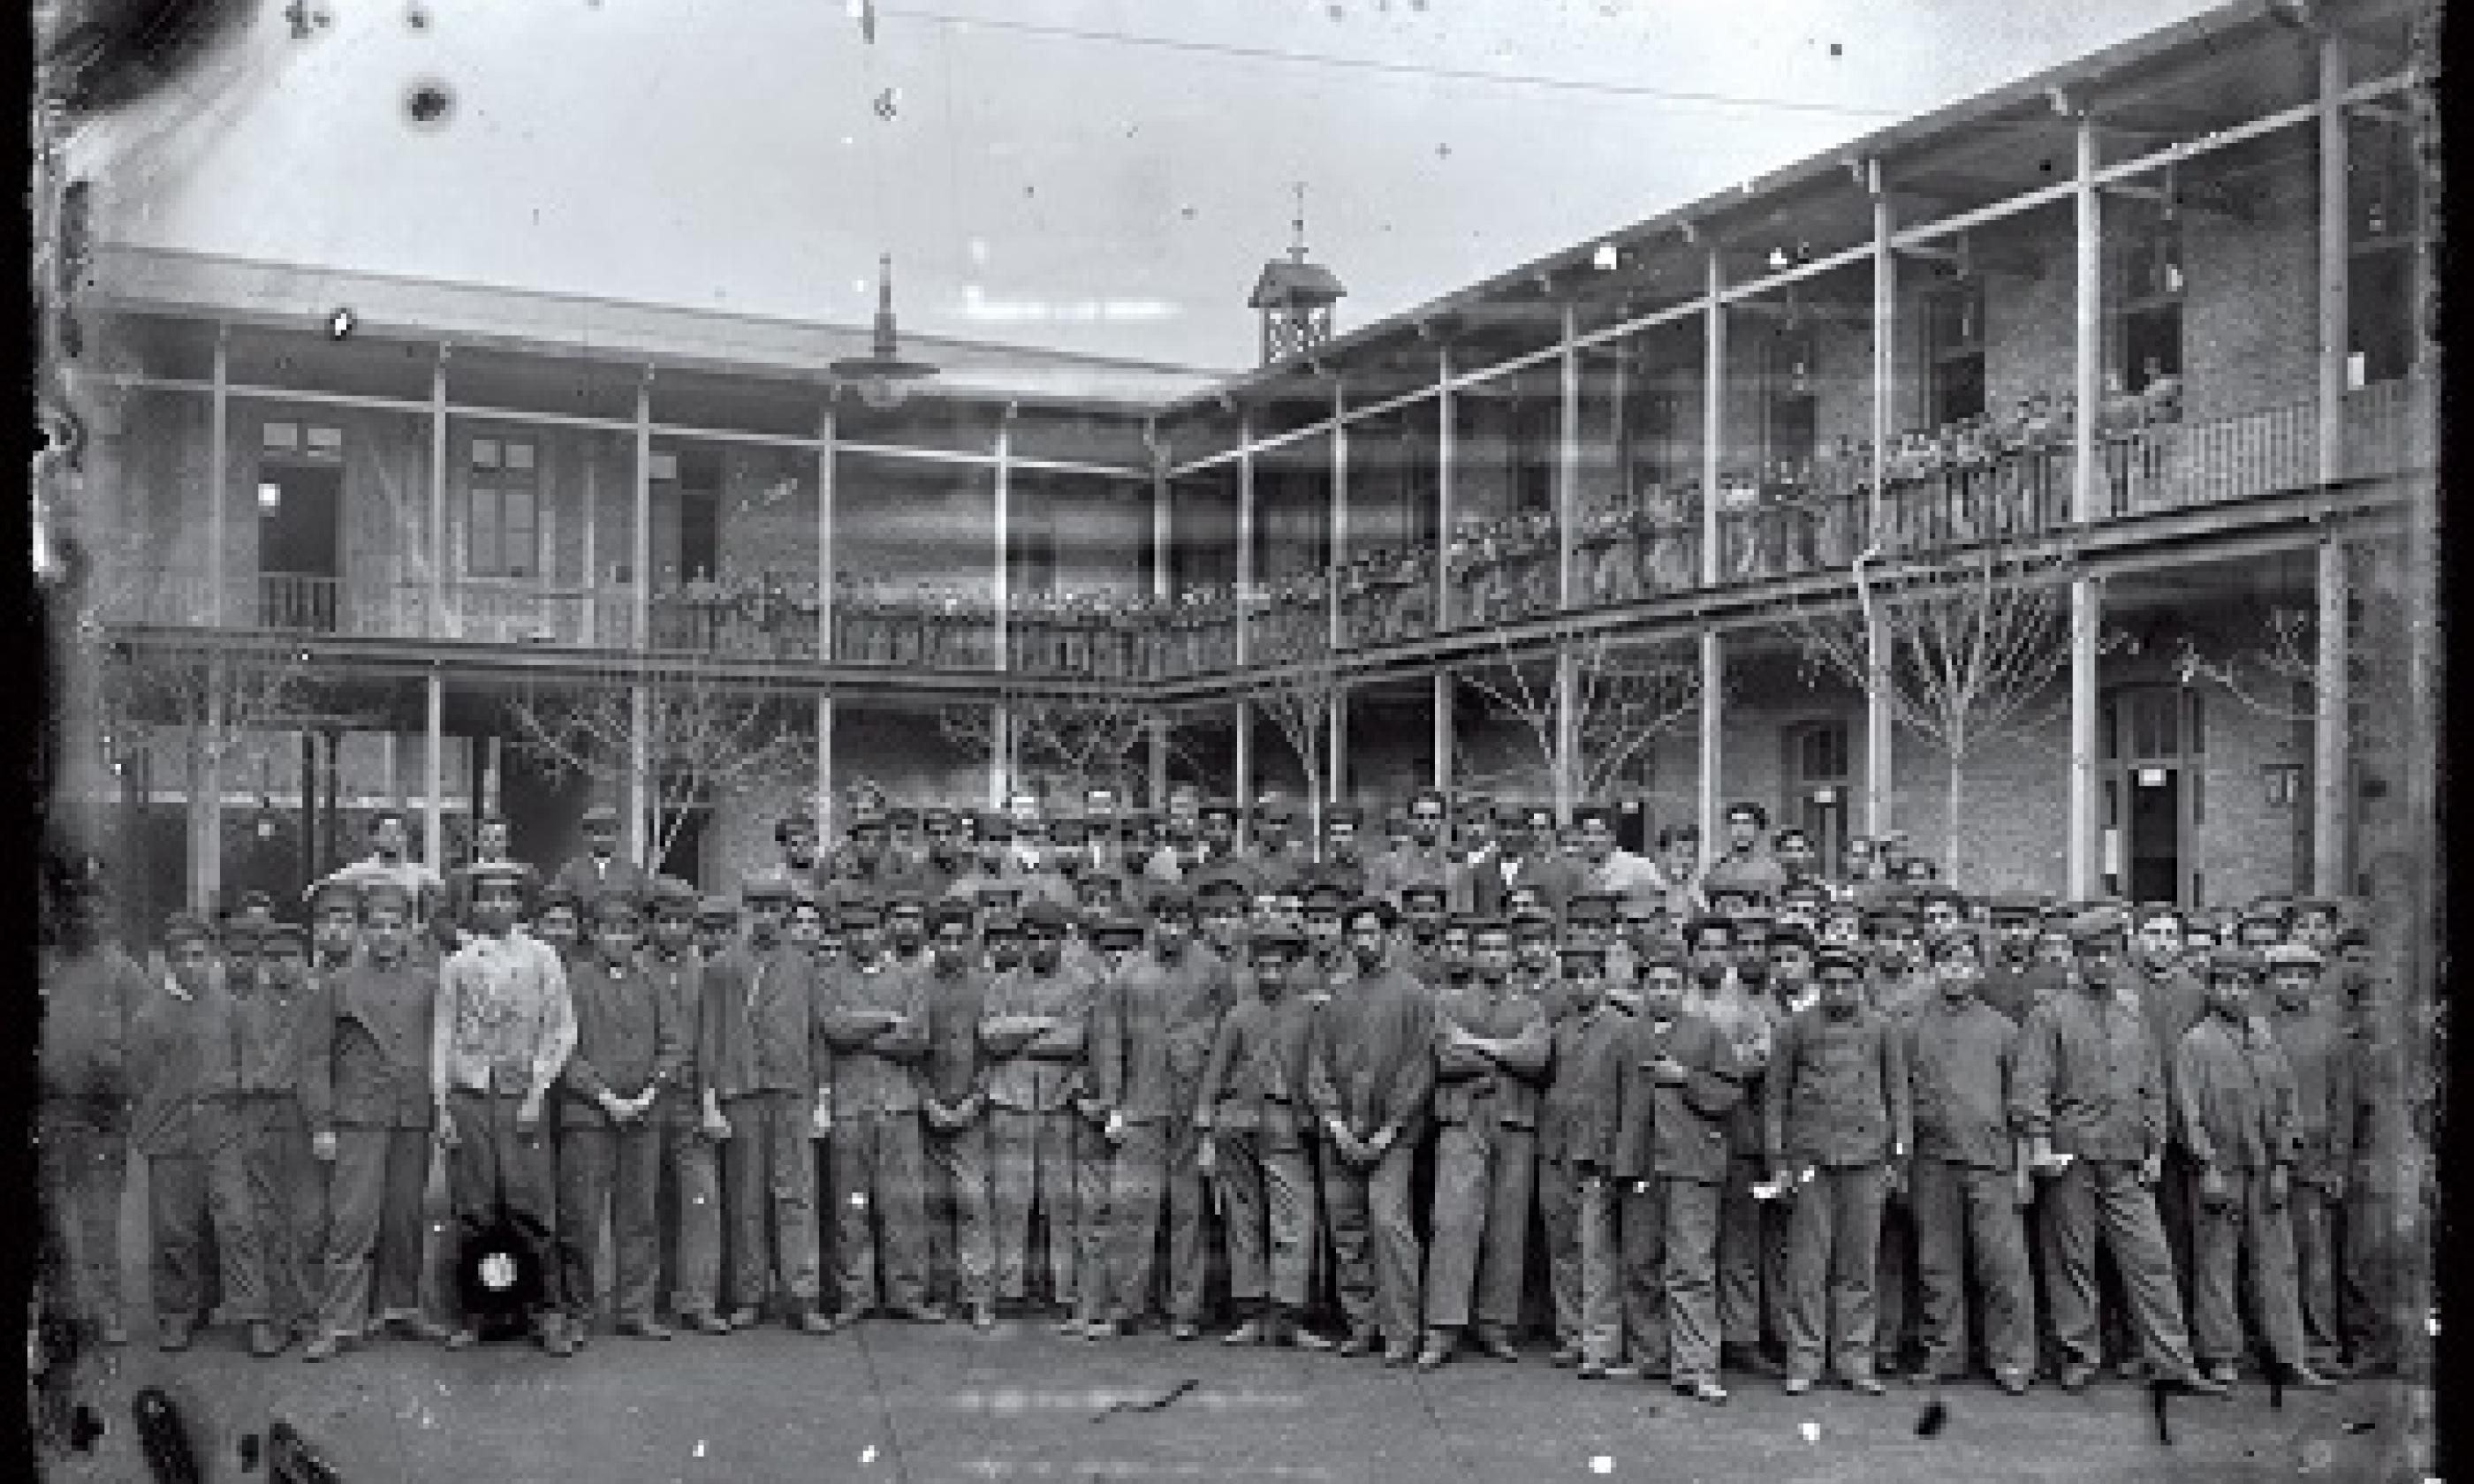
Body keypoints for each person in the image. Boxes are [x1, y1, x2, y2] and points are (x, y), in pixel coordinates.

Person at [2011, 909, 2223, 1395]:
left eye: (2109, 953)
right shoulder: (2051, 1015)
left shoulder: (2133, 1015)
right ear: (2076, 958)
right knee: (2072, 1260)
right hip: (2072, 1158)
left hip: (2128, 1159)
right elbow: (2030, 1088)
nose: (2101, 963)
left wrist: (2154, 1149)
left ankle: (2174, 1362)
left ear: (2121, 956)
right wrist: (2040, 1147)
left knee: (2152, 1262)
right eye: (2091, 954)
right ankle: (2078, 1358)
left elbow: (2152, 1086)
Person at [300, 884, 452, 1360]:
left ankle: (400, 1308)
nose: (386, 935)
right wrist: (322, 1124)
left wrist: (442, 1111)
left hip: (411, 1117)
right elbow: (314, 1057)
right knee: (352, 1220)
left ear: (410, 931)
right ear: (364, 931)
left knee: (406, 1218)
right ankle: (339, 1321)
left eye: (396, 926)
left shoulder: (430, 984)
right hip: (358, 1117)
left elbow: (442, 1053)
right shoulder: (337, 985)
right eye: (377, 926)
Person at [433, 861, 578, 1355]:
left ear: (520, 904)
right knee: (475, 1209)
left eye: (505, 897)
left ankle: (546, 1312)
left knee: (529, 1207)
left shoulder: (542, 958)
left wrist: (538, 1090)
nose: (496, 905)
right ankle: (482, 1311)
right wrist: (443, 1105)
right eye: (486, 897)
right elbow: (443, 1035)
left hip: (521, 1097)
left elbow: (559, 1028)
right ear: (472, 904)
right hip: (470, 1095)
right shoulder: (458, 962)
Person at [2174, 950, 2329, 1389]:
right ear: (2211, 989)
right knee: (2216, 1265)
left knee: (2278, 1265)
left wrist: (2282, 1164)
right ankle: (2221, 1357)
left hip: (2264, 1170)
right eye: (2224, 984)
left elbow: (2287, 1105)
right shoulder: (2196, 1043)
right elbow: (2187, 1113)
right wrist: (2206, 1166)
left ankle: (2288, 1356)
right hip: (2219, 1170)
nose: (2233, 993)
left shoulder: (2264, 1041)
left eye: (2241, 985)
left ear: (2253, 989)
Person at [1592, 943, 1742, 1400]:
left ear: (1685, 989)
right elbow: (1607, 1104)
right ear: (1642, 990)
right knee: (1641, 1265)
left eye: (1671, 985)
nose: (1662, 993)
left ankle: (1696, 1367)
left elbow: (1729, 1094)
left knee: (1691, 1267)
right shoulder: (1624, 1038)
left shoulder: (1707, 1034)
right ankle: (1652, 1357)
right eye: (1653, 985)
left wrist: (1686, 1079)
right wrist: (1610, 1160)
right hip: (1638, 1165)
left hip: (1691, 1166)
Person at [1089, 886, 1233, 1341]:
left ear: (1193, 923)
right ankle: (1124, 1307)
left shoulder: (1215, 972)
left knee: (1188, 1212)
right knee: (1133, 1210)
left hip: (1193, 1109)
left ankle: (1184, 1310)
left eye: (1181, 920)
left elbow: (1229, 1045)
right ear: (1153, 922)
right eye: (1165, 920)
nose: (1173, 929)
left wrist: (1214, 1108)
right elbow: (1109, 1043)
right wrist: (1112, 1106)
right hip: (1140, 1106)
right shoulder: (1128, 975)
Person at [1766, 945, 1910, 1396]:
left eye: (1847, 983)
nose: (1838, 991)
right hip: (1810, 1161)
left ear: (1860, 983)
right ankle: (1805, 1360)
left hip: (1867, 1160)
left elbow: (1898, 1096)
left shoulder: (1882, 1029)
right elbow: (1776, 1098)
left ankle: (1854, 1360)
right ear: (1818, 983)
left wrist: (1899, 1158)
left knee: (1858, 1265)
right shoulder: (1795, 1029)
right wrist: (1779, 1161)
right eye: (1829, 983)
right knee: (1808, 1266)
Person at [1898, 929, 2037, 1394]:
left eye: (1964, 964)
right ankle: (1944, 1354)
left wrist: (2022, 1169)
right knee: (1938, 1265)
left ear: (1979, 971)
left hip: (1991, 1163)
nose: (1955, 972)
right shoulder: (1912, 1027)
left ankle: (2012, 1360)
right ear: (1933, 969)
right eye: (1946, 963)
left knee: (2003, 1267)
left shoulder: (2004, 1030)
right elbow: (1901, 1098)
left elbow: (2022, 1105)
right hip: (1933, 1163)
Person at [1303, 897, 1437, 1363]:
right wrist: (1336, 1124)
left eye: (1371, 933)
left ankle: (1401, 1333)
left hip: (1392, 1138)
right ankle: (1362, 1324)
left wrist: (1390, 1130)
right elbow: (1317, 1064)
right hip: (1340, 1133)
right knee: (1348, 1231)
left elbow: (1419, 1067)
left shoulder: (1414, 995)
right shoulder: (1337, 995)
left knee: (1389, 1225)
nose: (1363, 942)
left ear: (1391, 936)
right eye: (1355, 934)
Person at [1416, 919, 1550, 1369]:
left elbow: (1535, 1059)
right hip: (1462, 1120)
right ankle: (1443, 1327)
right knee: (1453, 1221)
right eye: (1485, 948)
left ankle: (1495, 1324)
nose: (1493, 956)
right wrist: (1503, 1054)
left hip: (1515, 1121)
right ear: (1471, 955)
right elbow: (1445, 1057)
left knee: (1507, 1226)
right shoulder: (1447, 1002)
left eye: (1501, 948)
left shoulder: (1531, 1007)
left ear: (1513, 956)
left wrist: (1477, 1045)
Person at [556, 889, 687, 1343]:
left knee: (639, 1216)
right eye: (609, 930)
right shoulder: (574, 981)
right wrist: (604, 1097)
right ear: (593, 934)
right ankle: (577, 1313)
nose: (618, 939)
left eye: (628, 931)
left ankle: (635, 1309)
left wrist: (651, 1091)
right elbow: (564, 1051)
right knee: (581, 1217)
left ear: (638, 935)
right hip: (589, 1119)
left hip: (643, 1118)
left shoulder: (650, 982)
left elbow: (674, 1044)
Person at [701, 874, 831, 1334]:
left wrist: (822, 1099)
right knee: (746, 1198)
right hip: (741, 1093)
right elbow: (709, 1038)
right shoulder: (720, 967)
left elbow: (817, 1036)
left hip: (792, 1092)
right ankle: (749, 1295)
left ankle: (802, 1296)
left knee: (795, 1196)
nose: (767, 917)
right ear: (746, 911)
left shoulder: (805, 967)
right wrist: (711, 1099)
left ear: (788, 914)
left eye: (776, 908)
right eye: (758, 907)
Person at [132, 912, 266, 1354]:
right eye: (182, 958)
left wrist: (225, 1094)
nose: (192, 966)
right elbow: (140, 1078)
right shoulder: (149, 1014)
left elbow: (246, 1066)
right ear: (168, 962)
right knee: (175, 1231)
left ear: (212, 959)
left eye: (199, 957)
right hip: (171, 1137)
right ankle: (177, 1314)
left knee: (239, 1223)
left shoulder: (228, 1007)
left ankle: (252, 1315)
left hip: (222, 1132)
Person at [1195, 925, 1330, 1350]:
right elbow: (1213, 1076)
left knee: (1292, 1220)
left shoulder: (1309, 1013)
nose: (1270, 976)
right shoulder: (1238, 1016)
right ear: (1251, 969)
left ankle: (1288, 1317)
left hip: (1287, 1124)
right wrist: (1205, 1133)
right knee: (1243, 1219)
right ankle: (1251, 1314)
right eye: (1262, 968)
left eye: (1278, 967)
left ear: (1292, 969)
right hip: (1236, 1124)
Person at [814, 897, 937, 1328]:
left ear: (883, 930)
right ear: (844, 934)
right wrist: (886, 1020)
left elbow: (917, 1040)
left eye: (869, 928)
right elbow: (832, 1028)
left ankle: (908, 1295)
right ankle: (856, 1296)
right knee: (853, 1205)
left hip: (899, 1106)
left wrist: (861, 1034)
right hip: (851, 1109)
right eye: (853, 930)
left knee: (904, 1206)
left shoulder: (911, 978)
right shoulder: (828, 978)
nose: (861, 937)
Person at [39, 864, 148, 1346]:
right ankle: (56, 1311)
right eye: (75, 911)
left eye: (96, 911)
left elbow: (147, 1040)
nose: (84, 919)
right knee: (51, 1218)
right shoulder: (47, 966)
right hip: (50, 1112)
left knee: (100, 1218)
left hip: (102, 1116)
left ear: (109, 917)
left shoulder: (123, 972)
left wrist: (119, 1081)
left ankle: (106, 1309)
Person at [979, 899, 1092, 1320]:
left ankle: (1066, 1293)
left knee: (1062, 1203)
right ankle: (1009, 1291)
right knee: (1010, 1202)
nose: (1041, 946)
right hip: (1010, 1102)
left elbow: (1075, 1041)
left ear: (1063, 940)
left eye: (1050, 938)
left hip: (1059, 1104)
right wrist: (1044, 1025)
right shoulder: (1001, 985)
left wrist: (1020, 1036)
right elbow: (990, 1037)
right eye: (1033, 939)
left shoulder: (1082, 985)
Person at [228, 917, 330, 1352]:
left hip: (303, 1118)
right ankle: (269, 1316)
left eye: (290, 957)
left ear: (305, 961)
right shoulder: (245, 1008)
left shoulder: (318, 1003)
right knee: (265, 1220)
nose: (281, 967)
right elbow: (235, 1067)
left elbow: (319, 1065)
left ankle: (306, 1311)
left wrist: (323, 1123)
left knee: (308, 1220)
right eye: (272, 958)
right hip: (259, 1117)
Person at [2261, 940, 2356, 1375]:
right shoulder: (2257, 1029)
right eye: (2284, 975)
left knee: (2315, 1259)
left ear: (2315, 981)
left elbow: (2342, 1104)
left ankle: (2321, 1347)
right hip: (2263, 1159)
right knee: (2270, 1259)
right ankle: (2277, 1348)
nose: (2292, 983)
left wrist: (2338, 1163)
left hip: (2312, 1162)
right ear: (2271, 980)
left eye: (2301, 975)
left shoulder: (2331, 1034)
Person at [645, 882, 731, 1335]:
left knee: (701, 1200)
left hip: (692, 1102)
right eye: (664, 921)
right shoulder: (637, 968)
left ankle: (697, 1299)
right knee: (648, 1202)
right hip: (645, 1102)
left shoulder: (709, 973)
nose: (673, 930)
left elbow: (713, 1041)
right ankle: (650, 1296)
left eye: (682, 922)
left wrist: (709, 1101)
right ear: (652, 925)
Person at [918, 900, 999, 1330]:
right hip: (927, 1112)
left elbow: (993, 1053)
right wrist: (927, 1101)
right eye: (943, 940)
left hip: (972, 1112)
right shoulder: (917, 986)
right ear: (931, 942)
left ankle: (979, 1296)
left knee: (973, 1205)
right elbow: (910, 1052)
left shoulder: (986, 987)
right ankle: (942, 1291)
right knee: (934, 1204)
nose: (951, 949)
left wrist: (974, 1102)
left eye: (959, 940)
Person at [1570, 802, 1663, 913]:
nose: (1591, 839)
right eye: (1586, 833)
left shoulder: (1639, 865)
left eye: (1598, 833)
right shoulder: (1582, 874)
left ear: (1611, 836)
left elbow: (1662, 898)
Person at [549, 804, 651, 903]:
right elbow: (555, 902)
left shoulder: (633, 872)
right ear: (586, 836)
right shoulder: (571, 872)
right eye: (597, 833)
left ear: (617, 835)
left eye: (608, 833)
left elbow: (648, 907)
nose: (603, 839)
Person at [1702, 802, 1788, 904]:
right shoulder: (1717, 870)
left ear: (1759, 829)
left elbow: (1776, 910)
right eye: (1734, 823)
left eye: (1746, 822)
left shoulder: (1773, 871)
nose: (1739, 829)